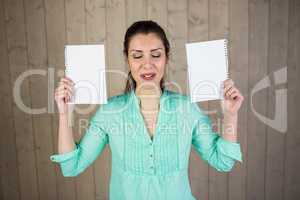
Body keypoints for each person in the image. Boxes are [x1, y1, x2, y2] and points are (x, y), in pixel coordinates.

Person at [50, 20, 244, 200]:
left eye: (156, 55)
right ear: (127, 59)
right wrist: (64, 113)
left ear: (167, 57)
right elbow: (71, 166)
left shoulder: (187, 109)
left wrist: (230, 114)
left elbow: (223, 161)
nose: (147, 64)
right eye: (137, 56)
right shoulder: (110, 112)